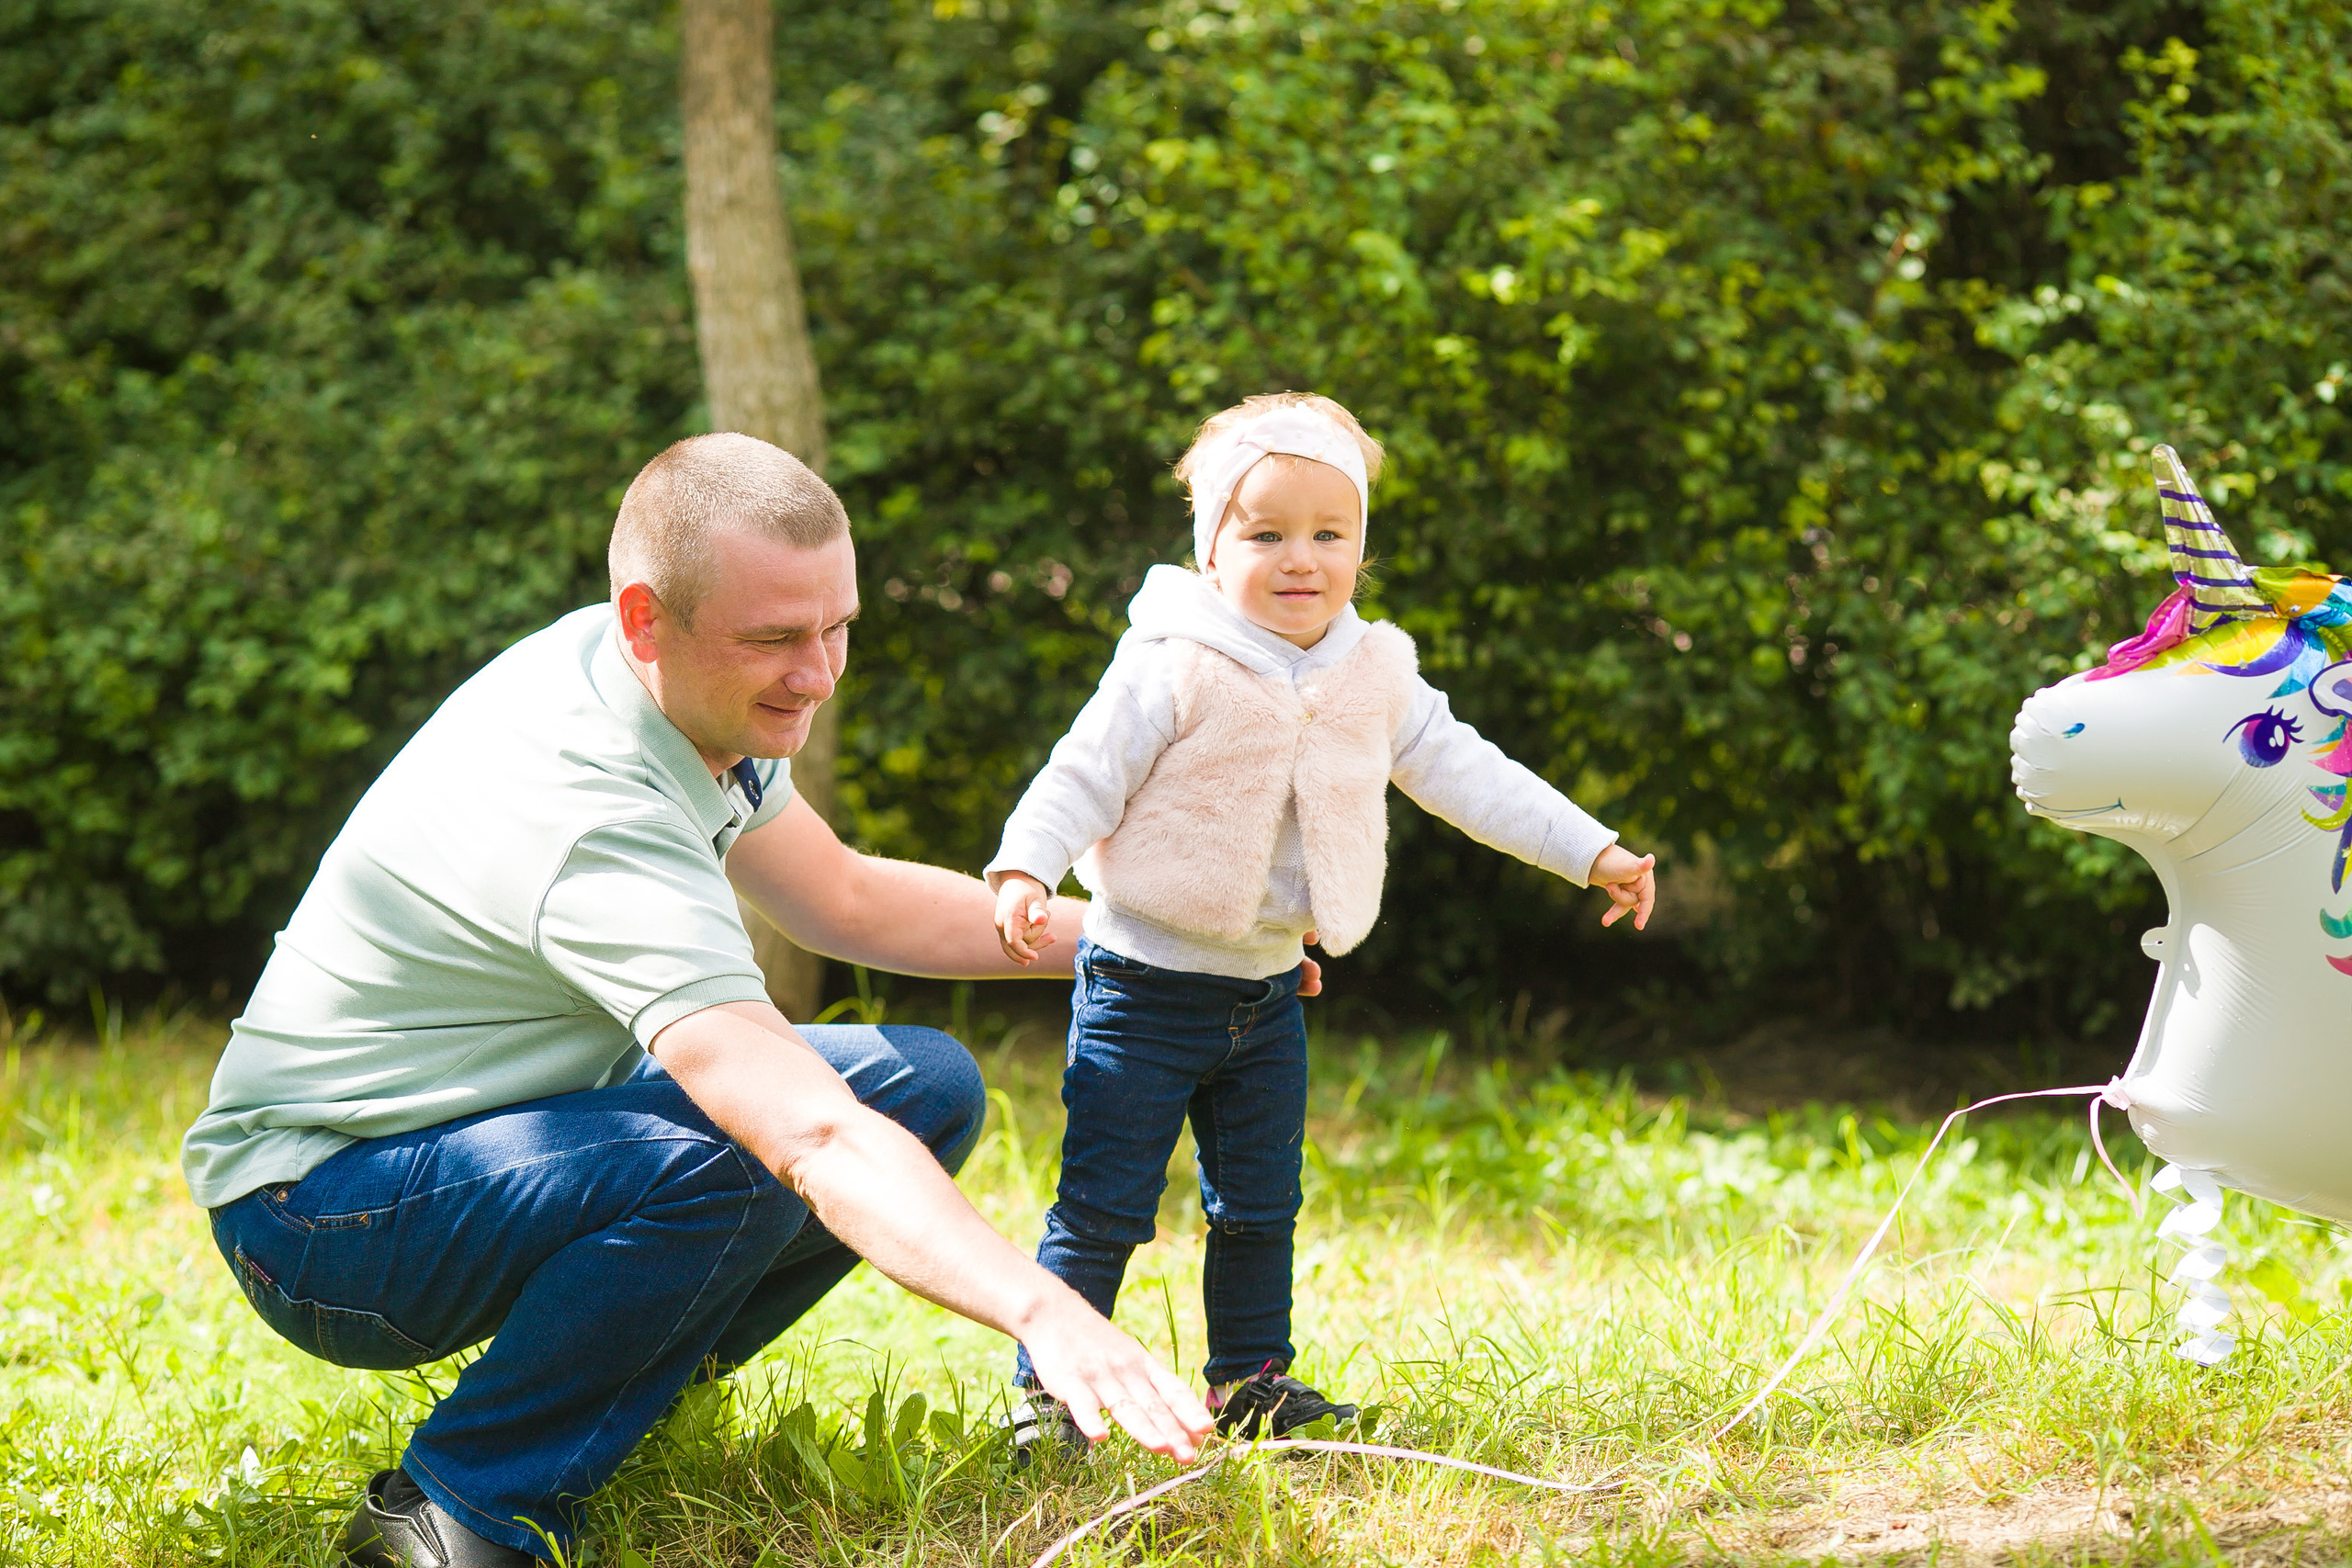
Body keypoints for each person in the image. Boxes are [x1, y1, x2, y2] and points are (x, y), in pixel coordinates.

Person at [181, 434, 1238, 1568]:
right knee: (745, 1148)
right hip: (320, 1214)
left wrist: (1161, 946)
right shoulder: (585, 804)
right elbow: (810, 1131)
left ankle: (605, 1403)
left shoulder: (676, 690)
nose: (820, 672)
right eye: (777, 638)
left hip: (476, 1145)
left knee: (924, 1085)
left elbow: (847, 901)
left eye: (838, 627)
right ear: (648, 618)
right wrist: (1045, 1311)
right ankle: (462, 1510)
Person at [987, 392, 1657, 1453]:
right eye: (1264, 535)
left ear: (1360, 547)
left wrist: (1591, 850)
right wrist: (1023, 865)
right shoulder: (1171, 659)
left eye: (1327, 534)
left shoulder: (1372, 670)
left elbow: (1465, 770)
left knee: (1258, 1206)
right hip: (1142, 984)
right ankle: (1049, 1394)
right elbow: (1082, 774)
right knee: (1105, 1203)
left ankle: (1252, 1383)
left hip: (1266, 992)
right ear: (1213, 551)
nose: (1300, 559)